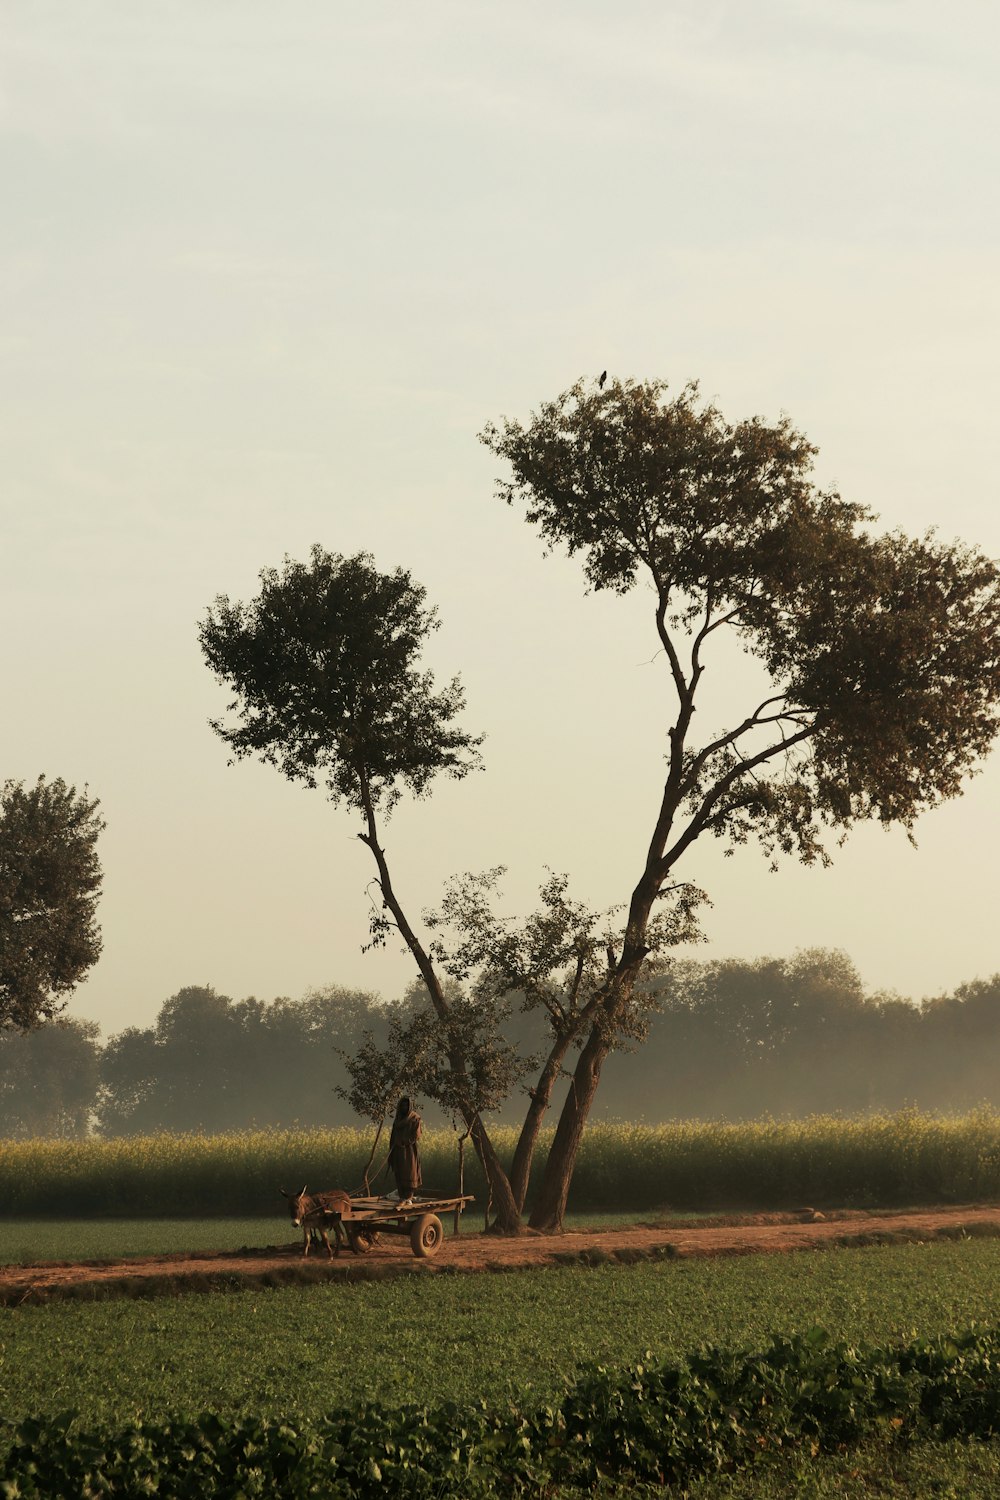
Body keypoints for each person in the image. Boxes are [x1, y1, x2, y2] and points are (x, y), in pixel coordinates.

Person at [388, 1096, 422, 1206]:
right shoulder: (398, 1119)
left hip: (409, 1151)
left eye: (406, 1105)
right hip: (397, 1151)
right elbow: (393, 1135)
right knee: (399, 1171)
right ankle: (402, 1196)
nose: (404, 1107)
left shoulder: (415, 1118)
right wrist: (393, 1145)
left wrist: (403, 1141)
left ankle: (408, 1197)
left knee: (409, 1173)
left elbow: (415, 1135)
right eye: (402, 1105)